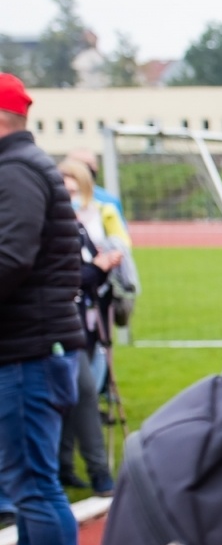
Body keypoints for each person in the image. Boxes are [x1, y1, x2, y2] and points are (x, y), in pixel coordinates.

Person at [0, 73, 89, 545]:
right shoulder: (25, 167)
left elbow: (11, 257)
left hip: (30, 347)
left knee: (32, 481)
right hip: (34, 344)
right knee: (31, 476)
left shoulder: (15, 172)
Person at [56, 159, 119, 494]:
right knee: (78, 395)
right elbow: (69, 276)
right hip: (59, 324)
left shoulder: (78, 225)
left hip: (84, 320)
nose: (68, 198)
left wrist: (102, 266)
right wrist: (95, 268)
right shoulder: (48, 226)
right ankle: (95, 472)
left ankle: (72, 468)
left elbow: (92, 267)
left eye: (73, 191)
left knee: (78, 395)